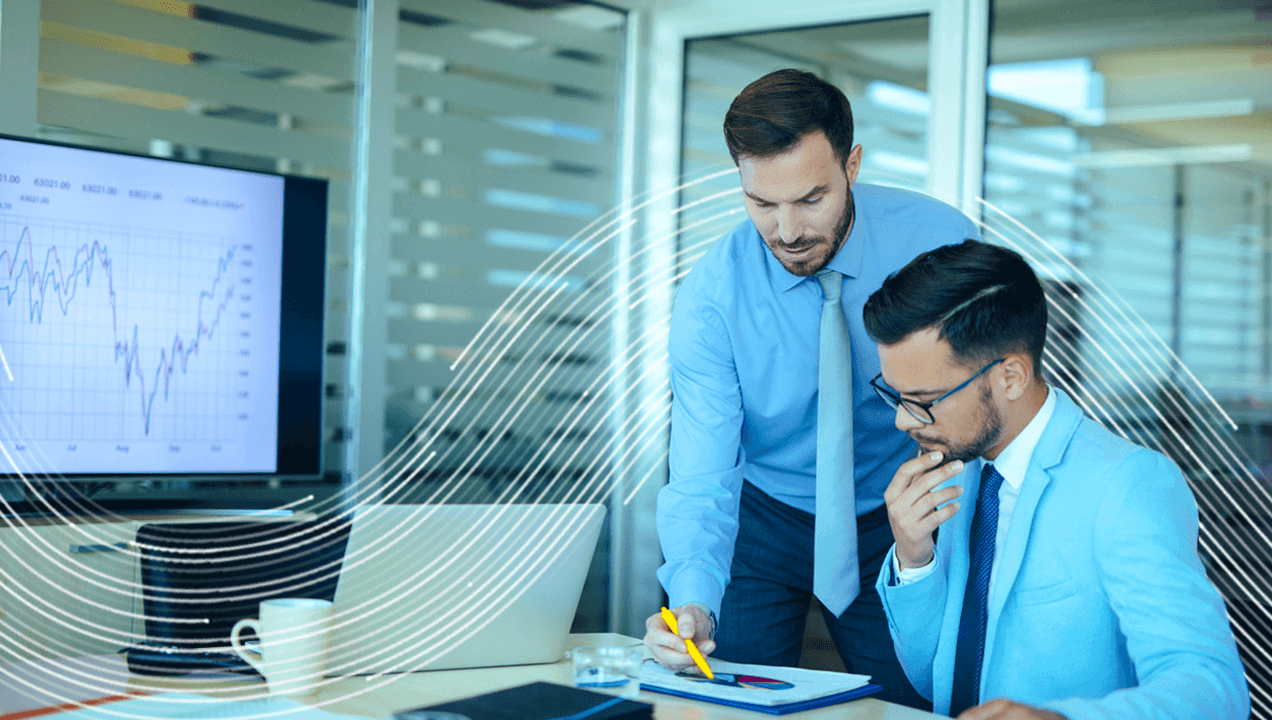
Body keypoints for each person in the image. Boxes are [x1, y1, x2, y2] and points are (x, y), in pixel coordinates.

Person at [642, 68, 978, 709]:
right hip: (763, 519)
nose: (788, 230)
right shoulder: (714, 297)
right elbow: (701, 470)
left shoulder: (939, 245)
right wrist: (691, 597)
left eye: (810, 199)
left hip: (900, 505)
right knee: (720, 700)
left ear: (852, 164)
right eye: (761, 204)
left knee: (917, 701)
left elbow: (984, 401)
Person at [864, 239, 1248, 719]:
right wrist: (914, 555)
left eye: (923, 399)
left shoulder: (1126, 484)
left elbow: (1215, 692)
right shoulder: (961, 471)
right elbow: (931, 679)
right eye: (894, 394)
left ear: (1010, 377)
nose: (902, 421)